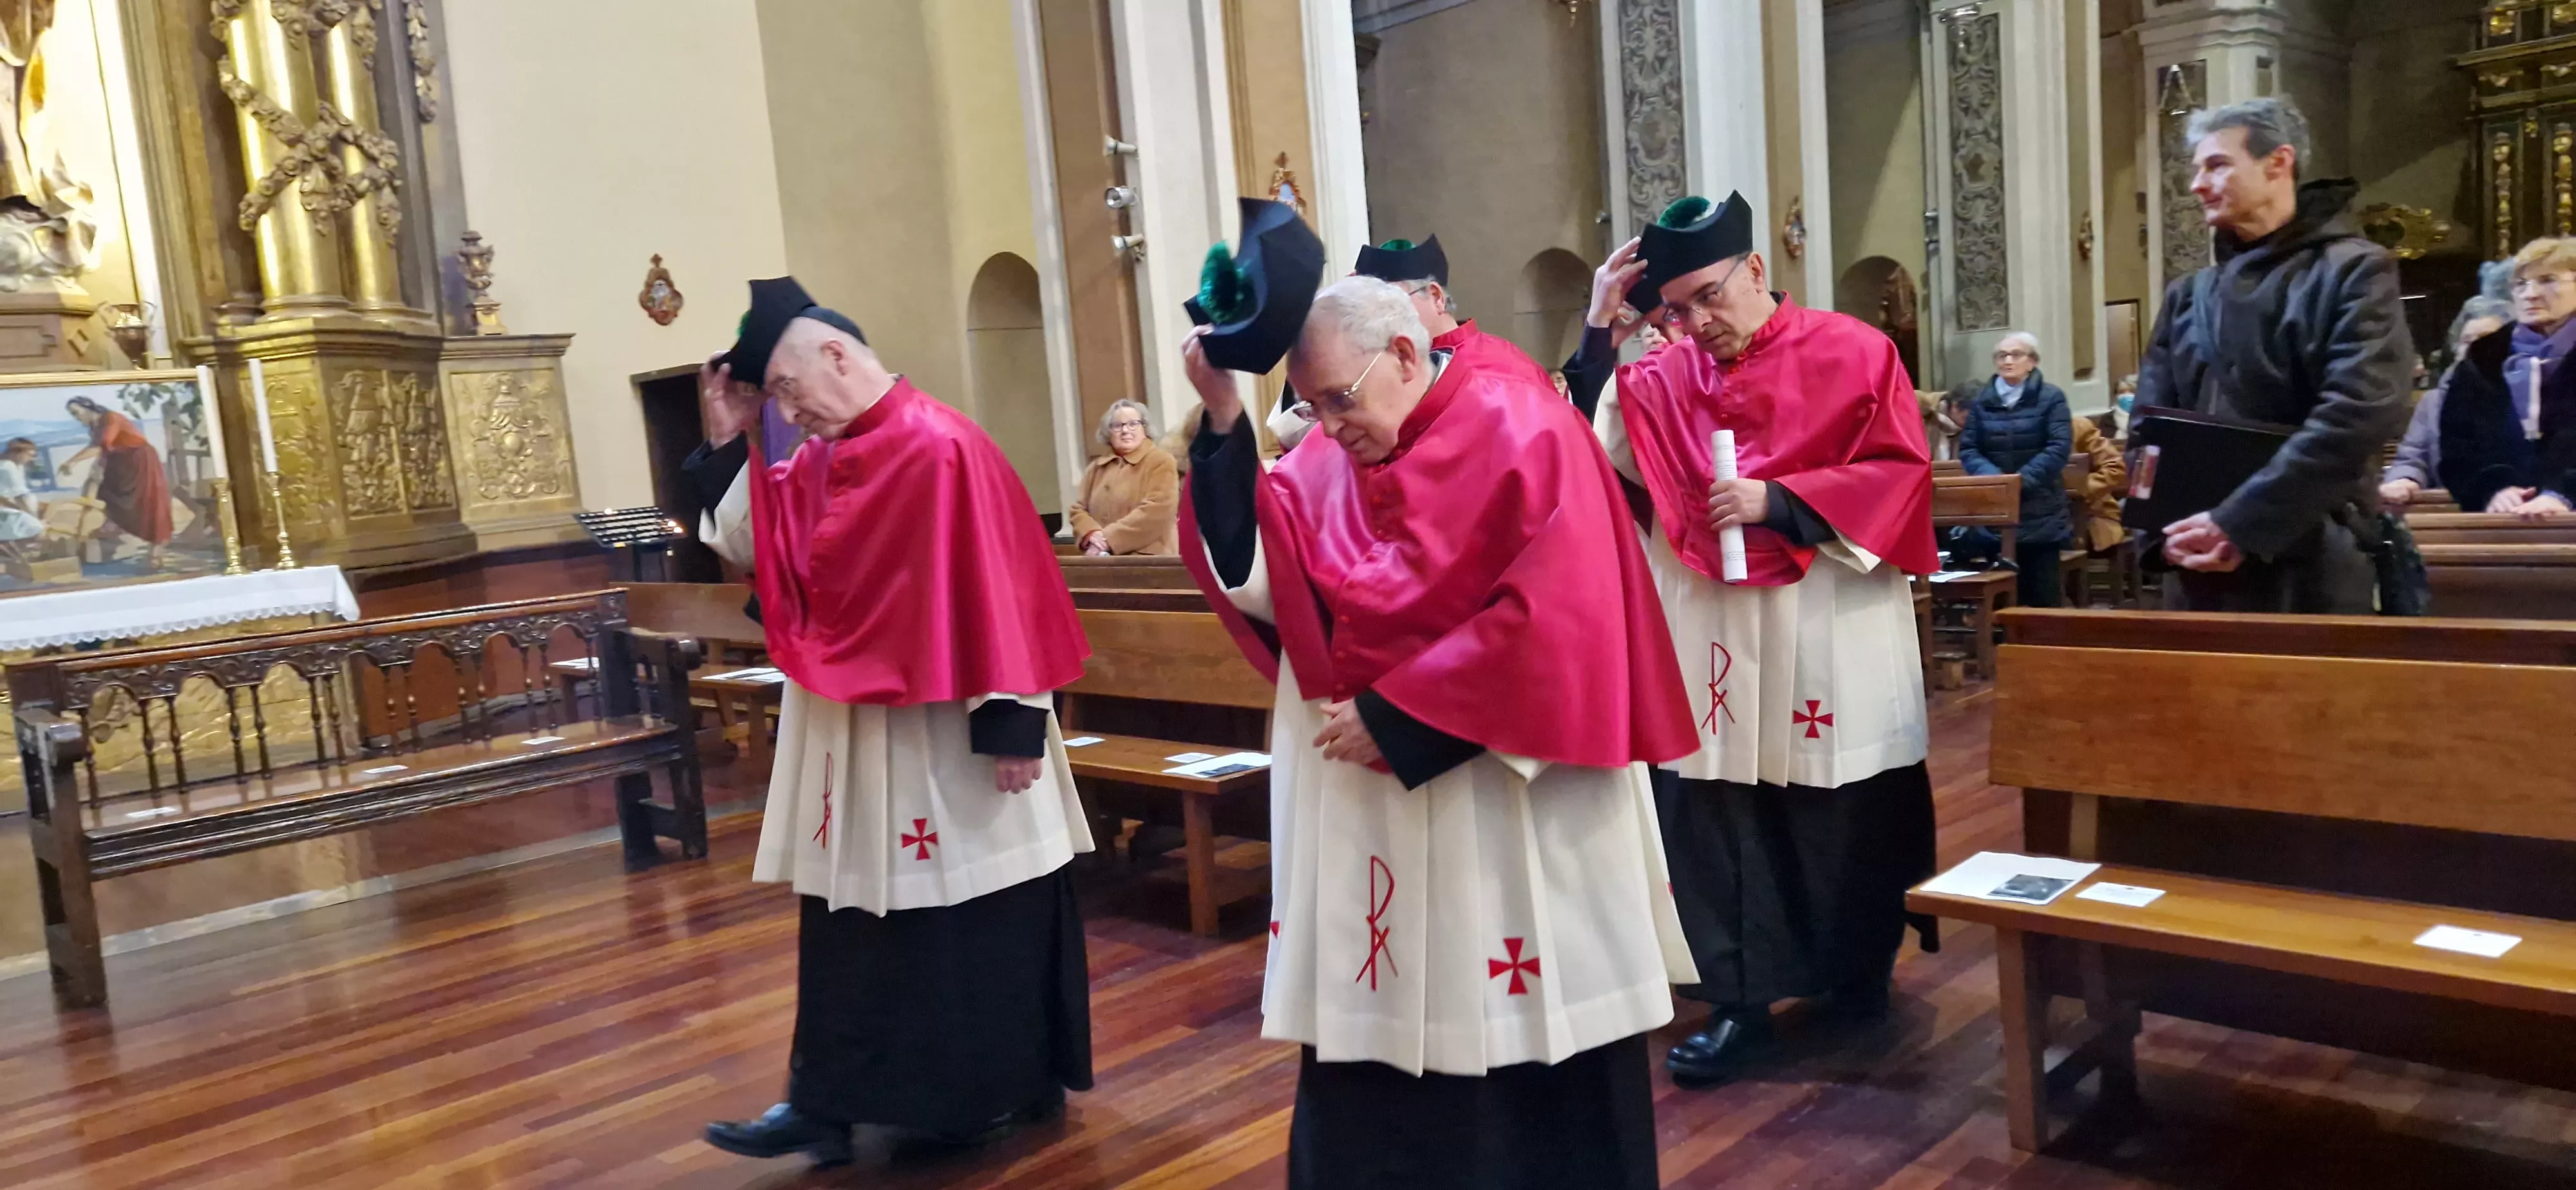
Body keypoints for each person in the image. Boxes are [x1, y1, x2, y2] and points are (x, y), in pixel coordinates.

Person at [1179, 198, 1700, 1190]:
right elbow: (1256, 575)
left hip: (1505, 796)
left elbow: (1566, 611)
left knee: (1513, 1035)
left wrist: (1406, 713)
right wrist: (1220, 418)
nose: (1327, 427)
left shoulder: (1523, 429)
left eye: (1339, 399)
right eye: (1311, 406)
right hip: (1376, 807)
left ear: (1409, 358)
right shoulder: (1329, 457)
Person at [689, 278, 1096, 1167]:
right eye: (779, 402)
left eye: (791, 392)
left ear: (838, 356)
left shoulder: (944, 445)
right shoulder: (821, 461)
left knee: (965, 910)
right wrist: (733, 443)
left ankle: (981, 1095)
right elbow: (761, 551)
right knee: (846, 917)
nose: (789, 414)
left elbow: (1009, 578)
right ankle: (825, 1103)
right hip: (850, 735)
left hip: (948, 731)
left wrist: (1015, 721)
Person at [1564, 192, 1939, 1086]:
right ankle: (1738, 1004)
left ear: (1757, 271)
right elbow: (1577, 455)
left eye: (1709, 297)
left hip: (1826, 621)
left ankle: (1856, 976)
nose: (1697, 324)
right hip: (1714, 628)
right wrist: (1597, 333)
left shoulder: (1855, 351)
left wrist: (1783, 501)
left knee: (1839, 804)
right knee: (1720, 817)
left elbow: (1901, 473)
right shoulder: (1658, 377)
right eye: (1678, 310)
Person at [2133, 95, 2412, 612]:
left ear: (2278, 163)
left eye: (2217, 165)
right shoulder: (2188, 295)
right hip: (2193, 564)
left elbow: (2359, 414)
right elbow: (2149, 430)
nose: (2196, 185)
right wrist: (2160, 536)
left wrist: (2239, 524)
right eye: (2197, 169)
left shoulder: (2354, 270)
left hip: (2309, 562)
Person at [2439, 239, 2576, 522]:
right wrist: (2493, 489)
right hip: (2501, 521)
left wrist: (2562, 493)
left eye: (2547, 280)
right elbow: (2458, 444)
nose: (2530, 294)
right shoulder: (2483, 356)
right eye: (2521, 284)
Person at [1953, 332, 2073, 608]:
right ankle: (2005, 645)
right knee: (2005, 593)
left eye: (2016, 355)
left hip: (2041, 509)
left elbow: (2058, 447)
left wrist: (2019, 483)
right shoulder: (1983, 401)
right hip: (1997, 514)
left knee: (2042, 592)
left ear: (2032, 362)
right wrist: (1996, 481)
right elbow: (1970, 449)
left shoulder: (2051, 398)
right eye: (2001, 356)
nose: (2008, 361)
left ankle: (2044, 647)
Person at [1351, 234, 1553, 388]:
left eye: (1391, 303)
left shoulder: (1505, 370)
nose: (1379, 319)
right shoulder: (1383, 369)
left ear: (1437, 298)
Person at [2382, 296, 2509, 509]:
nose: (2475, 348)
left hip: (2520, 510)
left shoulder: (2530, 394)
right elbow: (2413, 457)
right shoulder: (2434, 402)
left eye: (2487, 338)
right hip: (2454, 514)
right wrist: (2405, 480)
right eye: (2467, 340)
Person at [59, 396, 169, 569]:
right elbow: (104, 451)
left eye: (77, 413)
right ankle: (114, 526)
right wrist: (97, 471)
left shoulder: (111, 419)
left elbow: (100, 447)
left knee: (148, 503)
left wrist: (71, 462)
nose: (76, 417)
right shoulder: (95, 425)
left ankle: (155, 552)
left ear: (89, 408)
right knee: (105, 493)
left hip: (139, 459)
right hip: (119, 462)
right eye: (73, 415)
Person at [1067, 398, 1179, 555]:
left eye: (1133, 424)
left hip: (1150, 561)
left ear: (1145, 429)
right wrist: (1090, 533)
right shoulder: (1096, 468)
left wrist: (1107, 540)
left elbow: (1157, 510)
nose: (1126, 430)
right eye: (1117, 426)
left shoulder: (1161, 461)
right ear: (1108, 433)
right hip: (1101, 561)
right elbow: (1078, 509)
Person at [2069, 415, 2128, 554]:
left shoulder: (2077, 426)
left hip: (2088, 517)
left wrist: (2077, 489)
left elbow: (2114, 468)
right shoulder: (2010, 433)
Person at [0, 435, 42, 551]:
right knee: (37, 529)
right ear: (18, 453)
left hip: (8, 507)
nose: (32, 459)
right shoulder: (7, 467)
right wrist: (33, 518)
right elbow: (19, 497)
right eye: (30, 455)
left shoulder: (15, 465)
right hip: (5, 512)